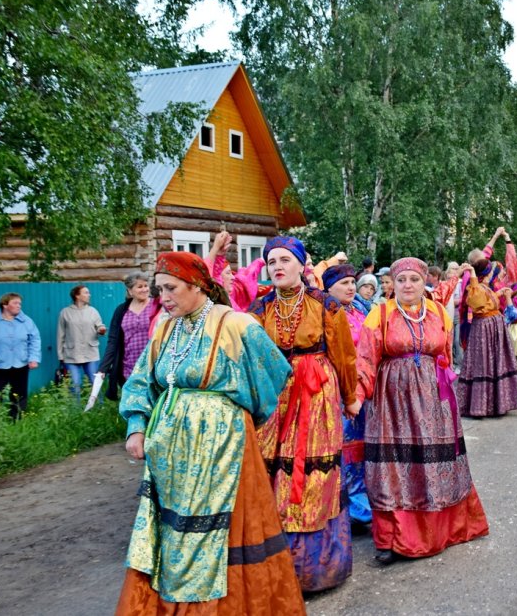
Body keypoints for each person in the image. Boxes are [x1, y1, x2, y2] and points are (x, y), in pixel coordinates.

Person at [116, 252, 304, 614]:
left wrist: (235, 415)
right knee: (173, 528)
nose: (163, 298)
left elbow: (274, 373)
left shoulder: (236, 324)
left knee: (222, 531)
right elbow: (141, 380)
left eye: (170, 289)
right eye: (159, 291)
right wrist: (137, 427)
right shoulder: (165, 329)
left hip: (224, 447)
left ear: (197, 285)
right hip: (170, 451)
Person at [356, 257, 489, 564]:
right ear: (393, 283)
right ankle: (391, 539)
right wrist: (358, 396)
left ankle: (438, 531)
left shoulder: (439, 312)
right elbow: (365, 358)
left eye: (414, 280)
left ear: (424, 282)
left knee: (431, 464)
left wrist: (448, 397)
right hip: (392, 402)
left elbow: (444, 355)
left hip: (432, 399)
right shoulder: (381, 313)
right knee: (393, 468)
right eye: (401, 280)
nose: (407, 285)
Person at [249, 237, 359, 592]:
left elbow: (343, 354)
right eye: (271, 262)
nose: (277, 266)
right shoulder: (260, 308)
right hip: (274, 395)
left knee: (314, 473)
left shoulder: (324, 304)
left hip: (316, 396)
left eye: (285, 260)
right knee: (272, 470)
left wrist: (350, 395)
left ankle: (315, 568)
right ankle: (275, 564)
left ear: (301, 264)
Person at [324, 264, 372, 526]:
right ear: (328, 287)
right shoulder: (326, 312)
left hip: (362, 389)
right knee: (343, 449)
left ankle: (362, 504)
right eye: (344, 283)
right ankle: (347, 508)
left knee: (361, 449)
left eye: (353, 282)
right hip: (339, 391)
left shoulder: (360, 309)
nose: (351, 287)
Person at [457, 258, 517, 417]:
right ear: (487, 273)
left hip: (492, 327)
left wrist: (498, 293)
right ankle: (481, 406)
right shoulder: (476, 287)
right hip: (484, 329)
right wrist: (473, 275)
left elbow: (486, 301)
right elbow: (476, 302)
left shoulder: (484, 287)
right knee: (484, 363)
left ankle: (495, 403)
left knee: (493, 363)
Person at [100, 272, 155, 401]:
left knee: (153, 405)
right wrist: (103, 368)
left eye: (146, 286)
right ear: (130, 291)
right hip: (129, 367)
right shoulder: (121, 311)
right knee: (133, 405)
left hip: (153, 366)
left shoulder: (157, 306)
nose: (144, 289)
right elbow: (113, 341)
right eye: (140, 287)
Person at [0, 293, 41, 418]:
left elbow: (35, 339)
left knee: (19, 394)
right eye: (15, 303)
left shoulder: (26, 321)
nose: (19, 306)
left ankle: (16, 421)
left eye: (20, 303)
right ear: (5, 305)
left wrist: (33, 358)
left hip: (20, 363)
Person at [57, 285, 106, 398]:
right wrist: (60, 355)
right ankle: (76, 412)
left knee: (95, 383)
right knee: (75, 385)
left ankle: (99, 409)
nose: (89, 295)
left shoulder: (92, 311)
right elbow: (60, 335)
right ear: (77, 295)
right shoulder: (65, 312)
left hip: (91, 353)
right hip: (71, 354)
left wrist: (101, 330)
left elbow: (99, 325)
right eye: (86, 292)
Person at [205, 229, 265, 312]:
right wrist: (215, 250)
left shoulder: (236, 290)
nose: (233, 277)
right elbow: (207, 275)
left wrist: (263, 260)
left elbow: (248, 274)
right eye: (228, 273)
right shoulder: (215, 298)